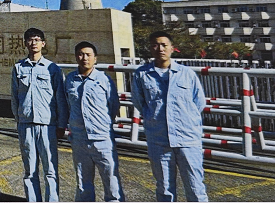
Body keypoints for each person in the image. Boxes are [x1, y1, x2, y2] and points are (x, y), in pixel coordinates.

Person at [131, 31, 208, 202]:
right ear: (150, 48)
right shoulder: (141, 75)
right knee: (164, 188)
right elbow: (139, 102)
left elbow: (199, 102)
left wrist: (185, 121)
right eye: (155, 45)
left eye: (164, 45)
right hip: (158, 139)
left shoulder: (186, 74)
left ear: (172, 48)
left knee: (195, 187)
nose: (160, 49)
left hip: (187, 139)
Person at [11, 28, 69, 202]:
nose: (33, 43)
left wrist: (61, 125)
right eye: (30, 39)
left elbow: (61, 98)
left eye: (37, 39)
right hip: (26, 124)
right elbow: (14, 97)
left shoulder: (53, 69)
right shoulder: (18, 68)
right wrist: (19, 120)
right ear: (25, 43)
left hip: (47, 125)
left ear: (43, 43)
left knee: (50, 169)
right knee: (30, 170)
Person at [64, 41, 125, 202]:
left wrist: (102, 125)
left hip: (102, 139)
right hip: (79, 139)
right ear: (76, 57)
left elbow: (113, 106)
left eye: (88, 55)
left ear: (95, 58)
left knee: (112, 182)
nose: (84, 58)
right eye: (80, 54)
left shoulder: (104, 80)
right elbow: (67, 105)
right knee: (83, 184)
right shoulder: (70, 80)